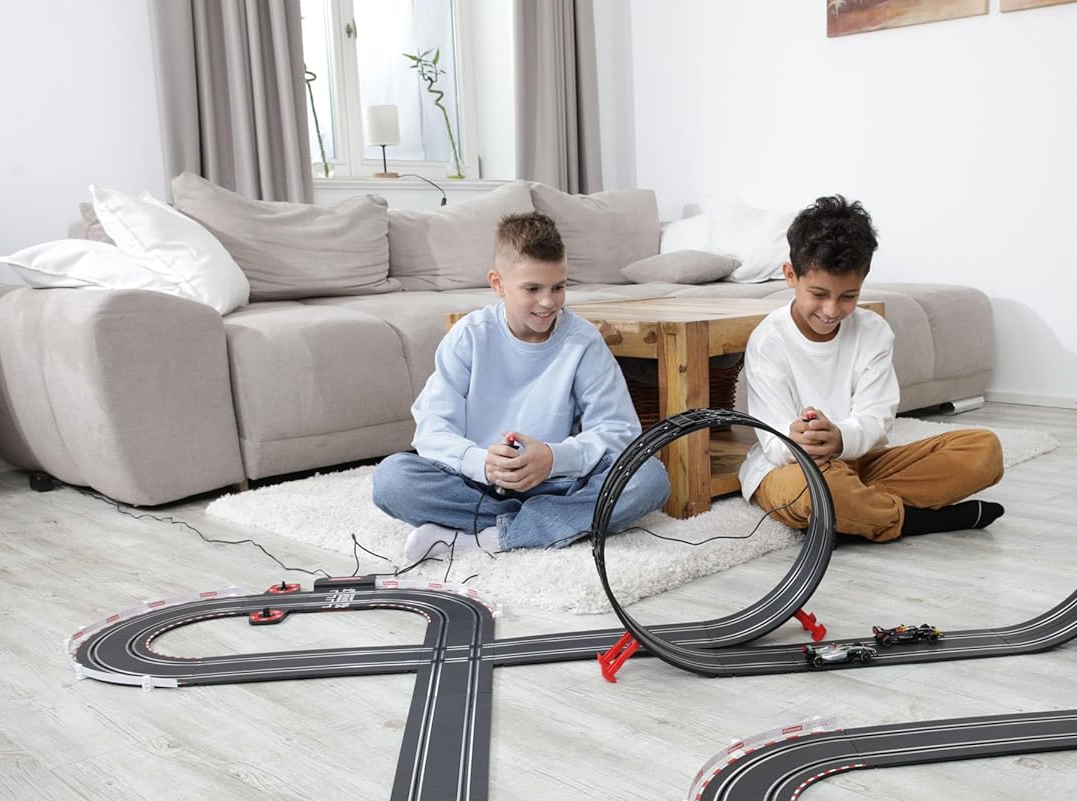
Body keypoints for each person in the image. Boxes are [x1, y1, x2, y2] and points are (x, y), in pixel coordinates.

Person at [372, 211, 669, 559]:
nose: (548, 302)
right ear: (498, 284)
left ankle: (487, 538)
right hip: (478, 482)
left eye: (558, 287)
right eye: (532, 289)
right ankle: (543, 526)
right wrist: (481, 462)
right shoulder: (469, 335)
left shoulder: (583, 341)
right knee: (392, 478)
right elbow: (432, 429)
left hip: (558, 481)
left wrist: (554, 458)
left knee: (649, 478)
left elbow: (620, 432)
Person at [739, 195, 1004, 542]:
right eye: (818, 294)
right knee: (812, 490)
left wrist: (838, 438)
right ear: (791, 275)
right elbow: (774, 444)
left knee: (984, 449)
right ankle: (912, 521)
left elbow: (876, 421)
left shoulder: (873, 332)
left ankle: (854, 515)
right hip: (791, 468)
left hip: (860, 462)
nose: (831, 310)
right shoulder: (768, 341)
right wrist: (798, 439)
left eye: (847, 296)